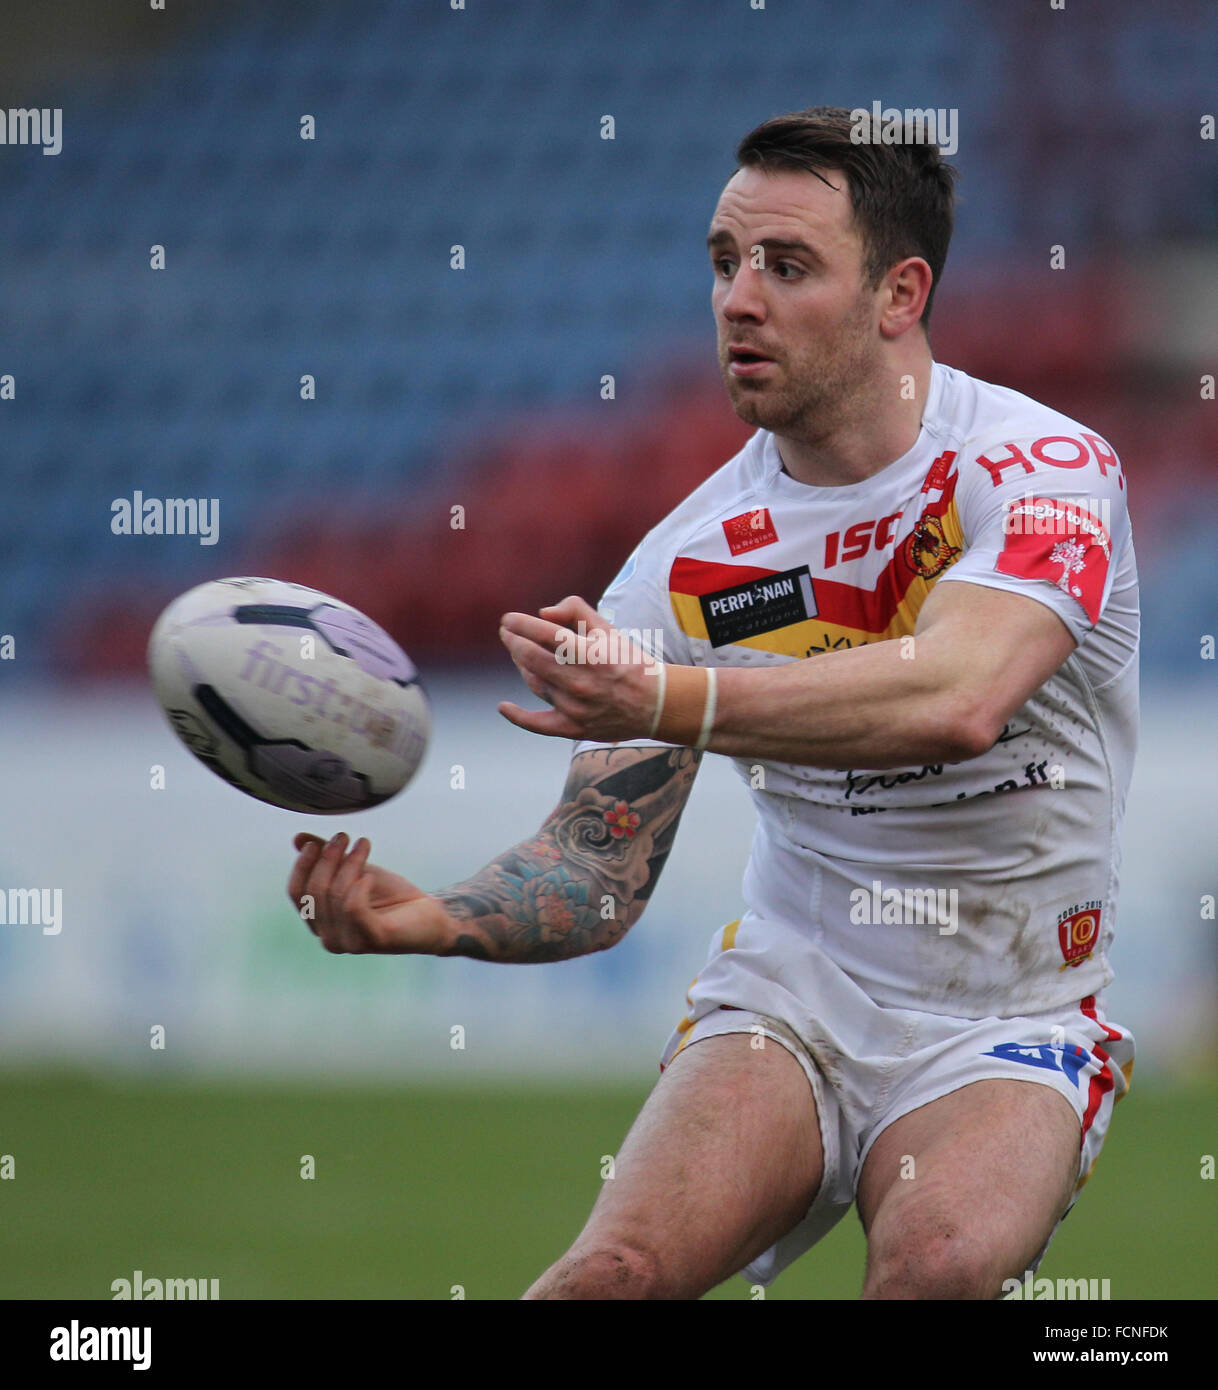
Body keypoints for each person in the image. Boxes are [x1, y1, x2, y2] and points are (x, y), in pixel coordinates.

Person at [286, 106, 1137, 1300]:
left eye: (786, 267)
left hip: (1010, 1007)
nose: (738, 298)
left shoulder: (1041, 466)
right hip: (797, 986)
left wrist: (664, 694)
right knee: (608, 1278)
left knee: (936, 1266)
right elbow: (594, 868)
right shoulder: (685, 563)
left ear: (900, 295)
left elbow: (960, 696)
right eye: (724, 262)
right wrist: (429, 919)